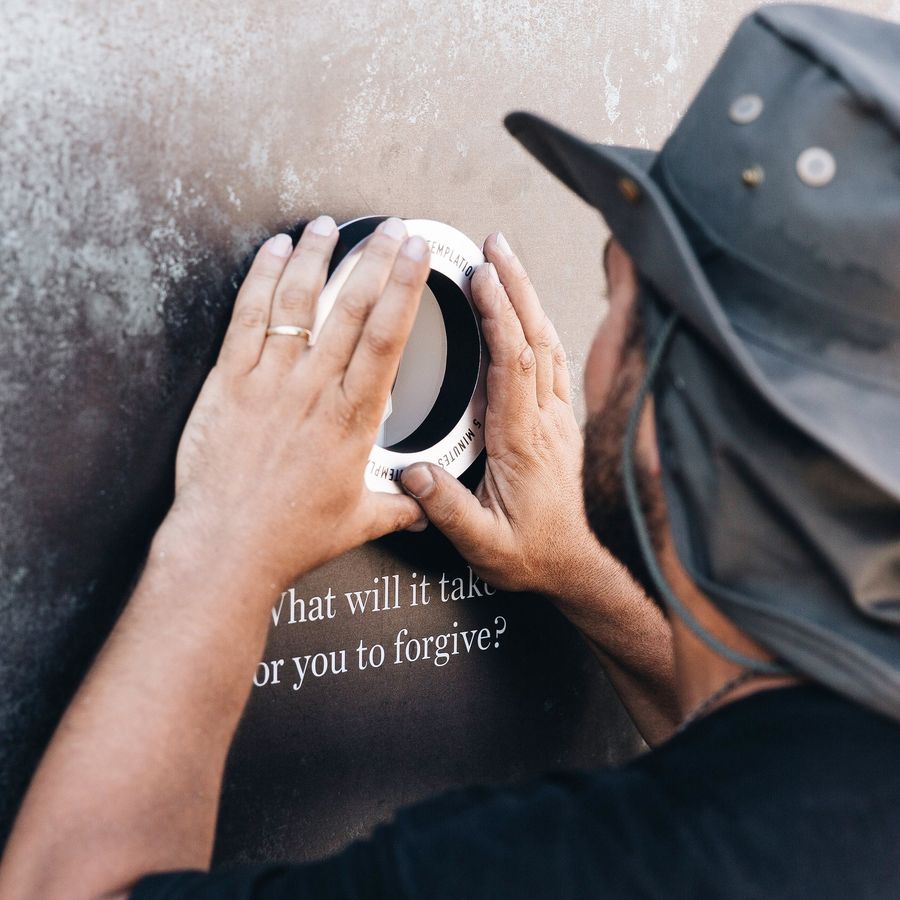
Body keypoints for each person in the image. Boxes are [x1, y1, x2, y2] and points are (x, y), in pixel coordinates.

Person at [2, 3, 899, 898]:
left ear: (668, 414)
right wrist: (576, 569)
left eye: (614, 297)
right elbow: (774, 778)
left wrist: (227, 537)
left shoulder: (578, 869)